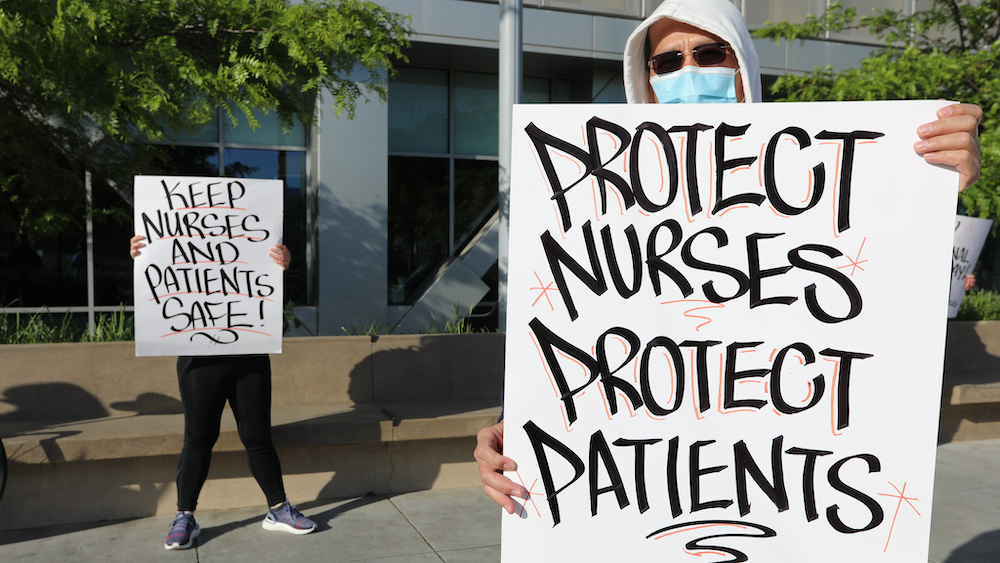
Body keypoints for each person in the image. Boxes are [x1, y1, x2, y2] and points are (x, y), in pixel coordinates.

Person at [474, 0, 984, 514]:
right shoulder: (596, 210)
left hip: (781, 494)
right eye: (668, 63)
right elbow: (572, 337)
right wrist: (509, 425)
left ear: (743, 65)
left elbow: (882, 298)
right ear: (645, 81)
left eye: (710, 53)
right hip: (641, 500)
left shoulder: (816, 190)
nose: (688, 73)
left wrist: (937, 183)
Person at [129, 235, 317, 549]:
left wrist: (281, 271)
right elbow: (157, 285)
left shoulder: (257, 246)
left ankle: (278, 510)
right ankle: (184, 517)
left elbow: (275, 303)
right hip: (199, 358)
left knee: (257, 436)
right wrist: (145, 257)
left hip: (250, 354)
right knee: (199, 438)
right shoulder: (180, 245)